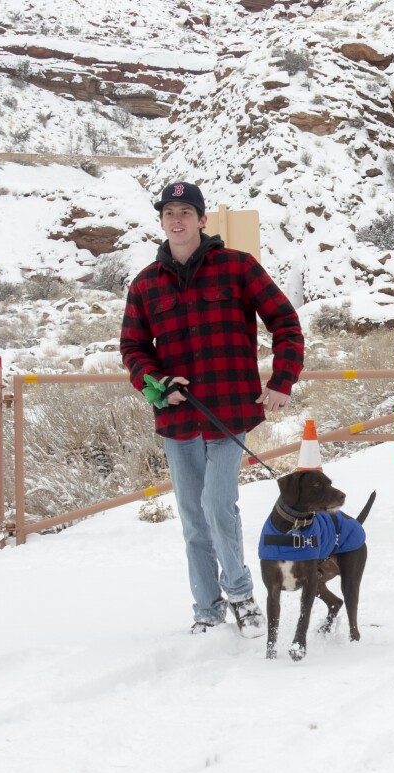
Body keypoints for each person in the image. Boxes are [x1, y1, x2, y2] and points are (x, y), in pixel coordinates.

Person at [120, 182, 305, 635]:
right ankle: (206, 606)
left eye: (186, 211)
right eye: (169, 213)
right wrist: (159, 384)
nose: (177, 220)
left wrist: (282, 380)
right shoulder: (145, 284)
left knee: (218, 505)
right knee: (192, 517)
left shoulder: (238, 267)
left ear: (203, 220)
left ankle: (241, 595)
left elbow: (285, 321)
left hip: (228, 412)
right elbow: (132, 348)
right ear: (162, 222)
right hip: (178, 417)